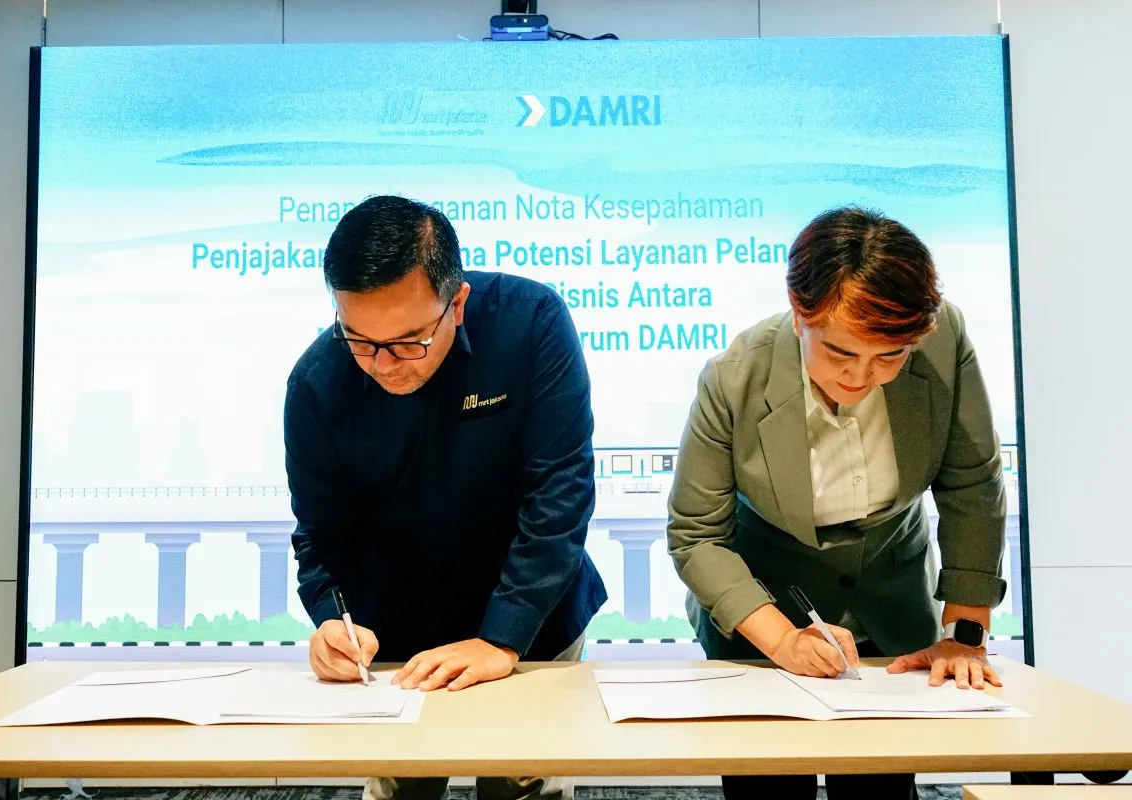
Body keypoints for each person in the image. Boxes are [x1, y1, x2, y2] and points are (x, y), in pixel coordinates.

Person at [667, 206, 1008, 800]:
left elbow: (972, 486)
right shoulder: (735, 378)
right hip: (765, 611)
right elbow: (697, 535)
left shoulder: (942, 338)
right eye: (841, 354)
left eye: (889, 357)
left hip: (893, 605)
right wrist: (782, 640)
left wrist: (966, 635)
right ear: (800, 312)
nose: (860, 377)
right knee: (769, 792)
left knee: (881, 791)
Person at [283, 194, 607, 800]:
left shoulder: (531, 323)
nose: (383, 364)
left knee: (524, 788)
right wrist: (333, 619)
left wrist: (502, 637)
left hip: (532, 617)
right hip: (400, 637)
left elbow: (559, 493)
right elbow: (321, 536)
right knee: (399, 790)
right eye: (359, 339)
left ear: (456, 302)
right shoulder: (316, 384)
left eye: (409, 340)